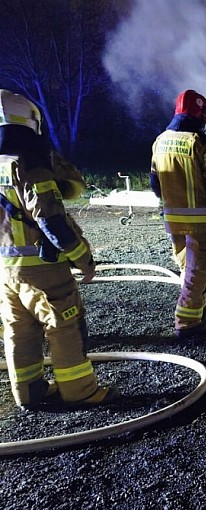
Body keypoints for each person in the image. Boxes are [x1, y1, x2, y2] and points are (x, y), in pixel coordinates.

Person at [0, 89, 116, 408]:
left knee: (18, 330)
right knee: (64, 324)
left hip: (6, 271)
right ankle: (81, 391)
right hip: (42, 269)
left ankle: (28, 392)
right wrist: (83, 259)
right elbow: (51, 219)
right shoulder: (30, 162)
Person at [151, 89, 206, 340]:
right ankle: (187, 323)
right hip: (198, 223)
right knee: (197, 271)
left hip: (172, 220)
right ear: (201, 115)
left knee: (187, 268)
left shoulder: (160, 141)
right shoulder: (202, 144)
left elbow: (155, 183)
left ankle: (198, 310)